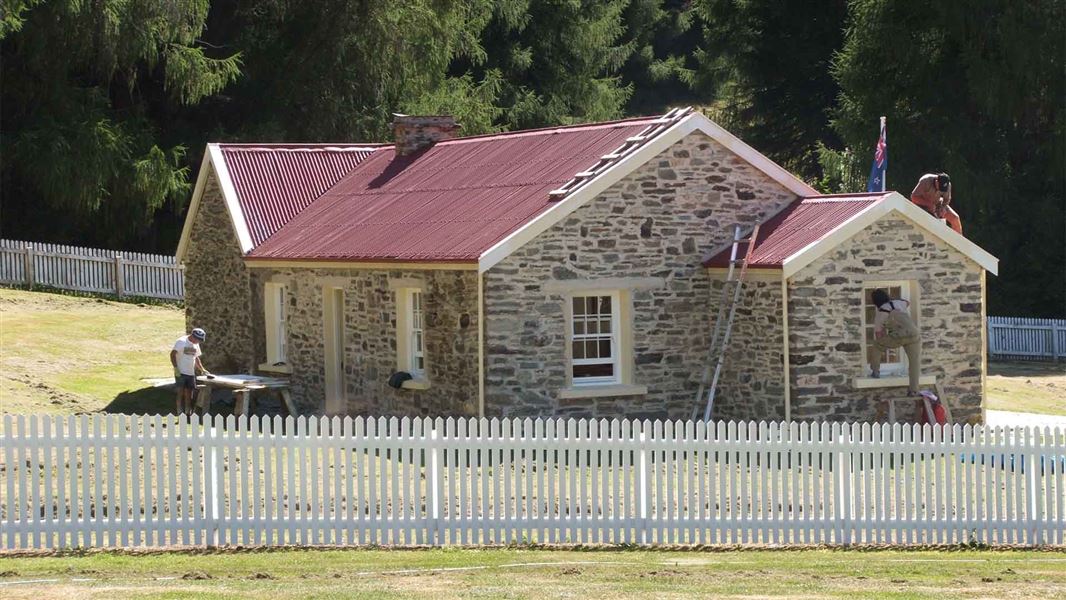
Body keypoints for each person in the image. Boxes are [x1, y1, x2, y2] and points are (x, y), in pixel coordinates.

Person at [867, 289, 922, 395]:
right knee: (915, 362)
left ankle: (875, 371)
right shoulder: (900, 303)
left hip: (899, 335)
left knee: (877, 345)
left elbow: (878, 334)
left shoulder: (882, 311)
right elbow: (907, 302)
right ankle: (913, 390)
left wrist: (885, 339)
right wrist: (893, 300)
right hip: (914, 333)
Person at [171, 327, 210, 416]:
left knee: (189, 392)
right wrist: (176, 368)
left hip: (190, 372)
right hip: (180, 371)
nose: (198, 342)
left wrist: (202, 369)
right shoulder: (181, 342)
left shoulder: (196, 345)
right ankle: (179, 411)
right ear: (193, 336)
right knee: (180, 392)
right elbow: (172, 354)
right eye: (198, 340)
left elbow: (196, 358)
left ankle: (188, 411)